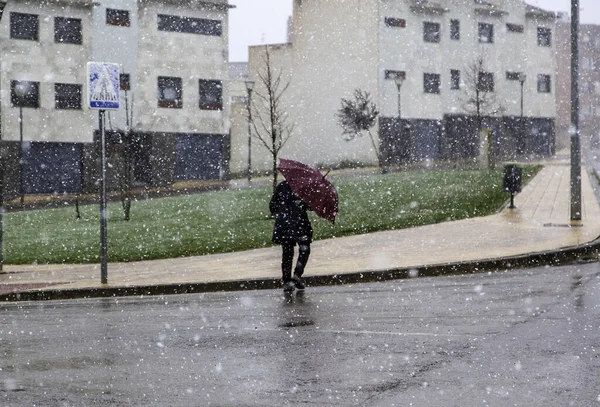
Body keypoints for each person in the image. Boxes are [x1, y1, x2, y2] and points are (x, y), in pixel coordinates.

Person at [269, 180, 312, 292]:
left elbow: (272, 206)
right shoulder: (304, 187)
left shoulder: (282, 186)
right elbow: (310, 206)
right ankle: (297, 274)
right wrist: (302, 204)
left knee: (287, 252)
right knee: (304, 248)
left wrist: (282, 212)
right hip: (300, 223)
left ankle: (287, 280)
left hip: (284, 223)